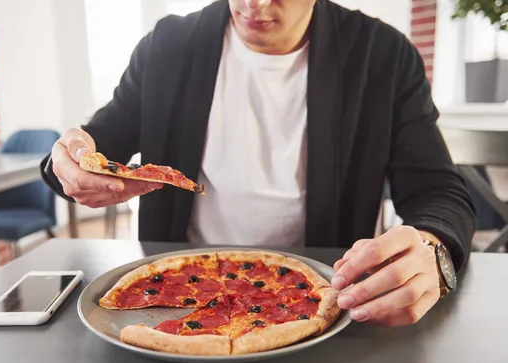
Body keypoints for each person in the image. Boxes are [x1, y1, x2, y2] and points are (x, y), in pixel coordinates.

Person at [40, 0, 476, 327]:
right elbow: (93, 145)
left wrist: (431, 249)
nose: (256, 4)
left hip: (328, 305)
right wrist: (69, 160)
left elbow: (440, 193)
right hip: (175, 296)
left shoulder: (384, 57)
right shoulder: (166, 46)